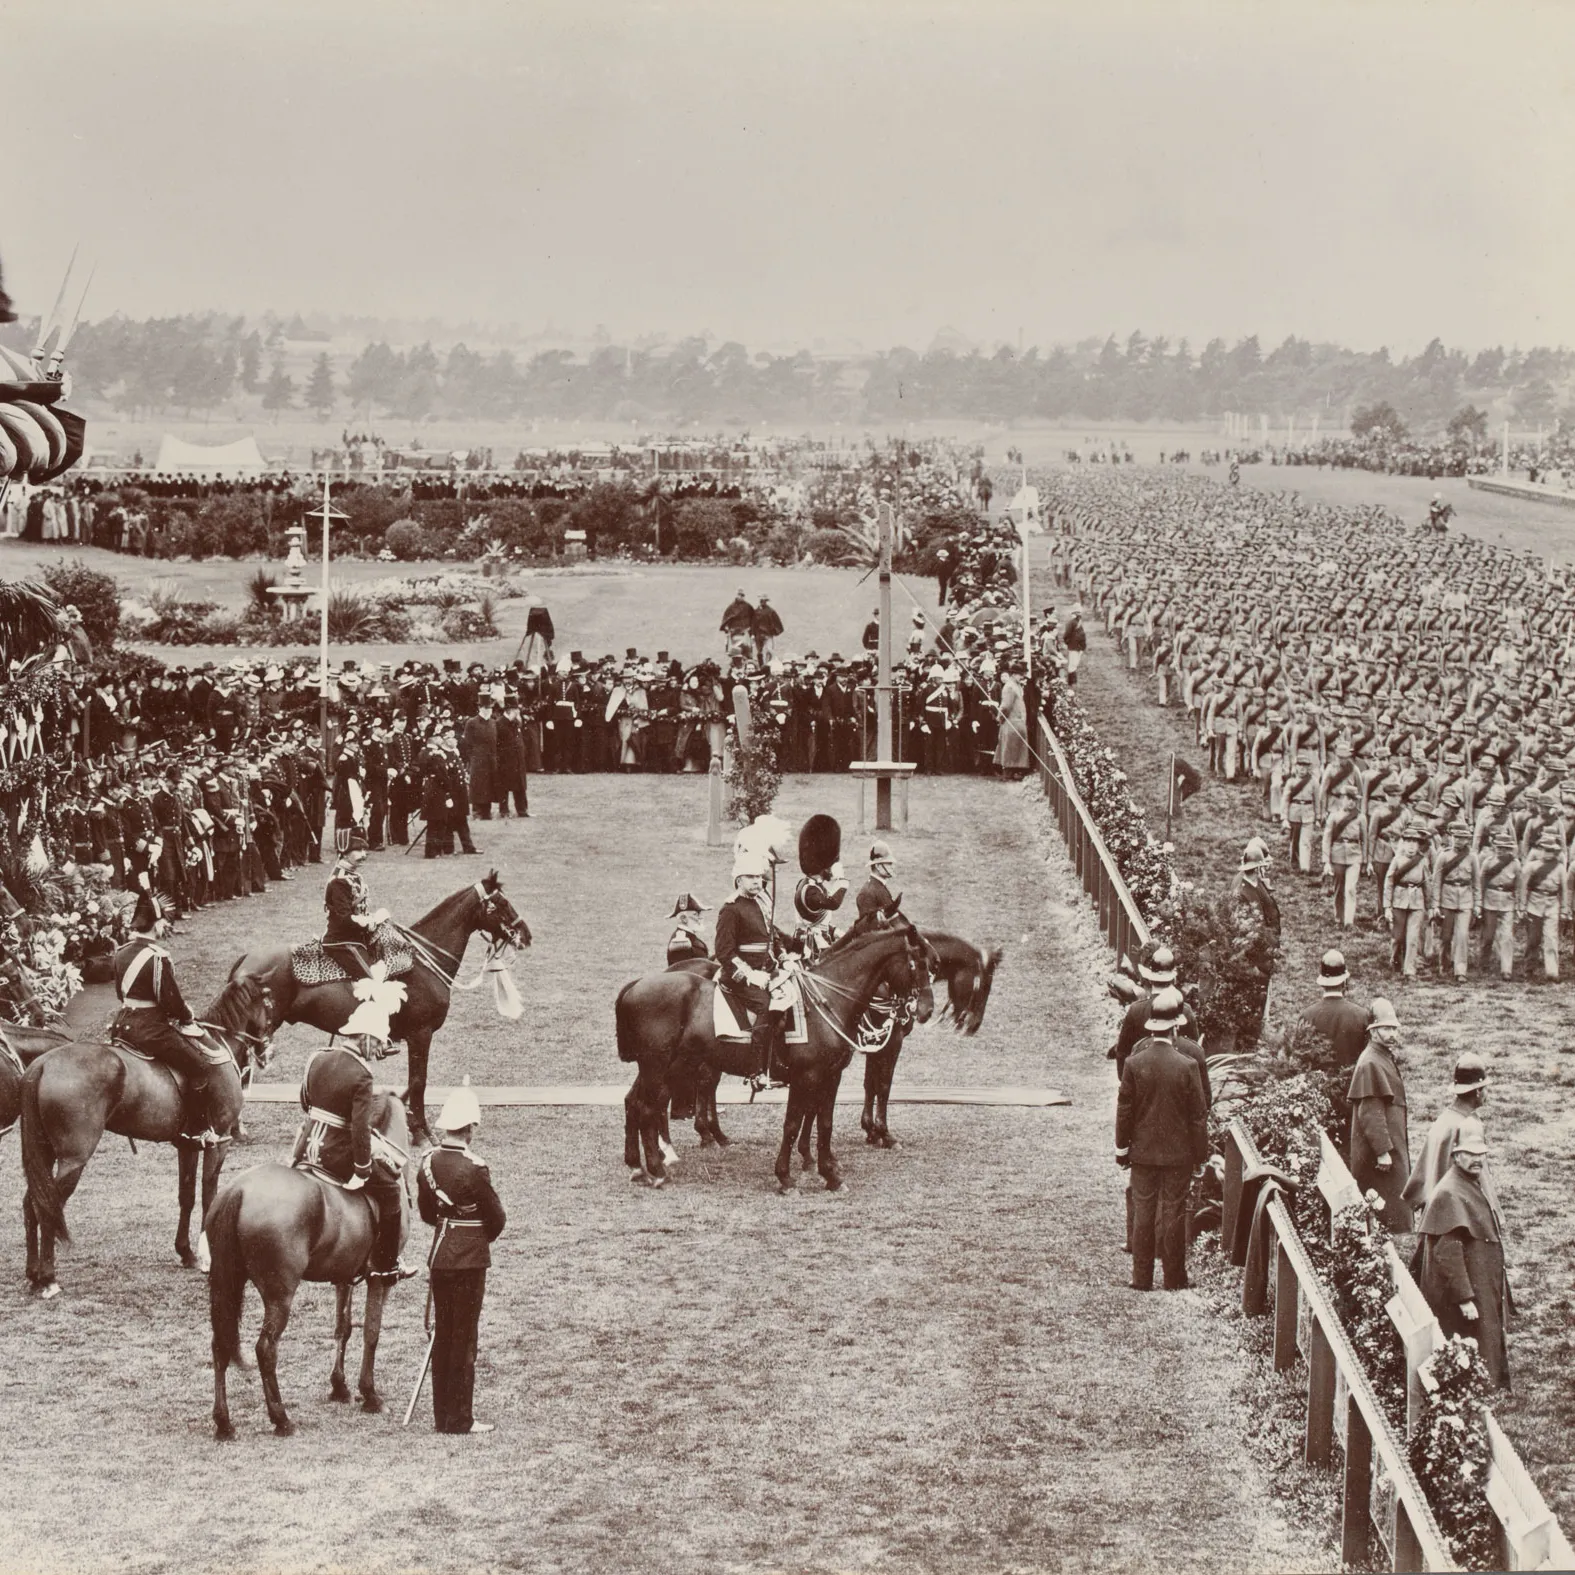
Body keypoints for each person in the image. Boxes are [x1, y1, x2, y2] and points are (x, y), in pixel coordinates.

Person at [417, 1081, 507, 1434]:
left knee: (444, 1334)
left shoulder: (427, 1163)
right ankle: (461, 1419)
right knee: (465, 1336)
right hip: (470, 1259)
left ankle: (444, 1416)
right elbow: (496, 1218)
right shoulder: (475, 1167)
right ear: (470, 1128)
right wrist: (477, 1237)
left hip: (441, 1255)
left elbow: (427, 1213)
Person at [291, 1031, 414, 1283]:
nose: (378, 1049)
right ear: (365, 1039)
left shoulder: (317, 1057)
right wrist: (362, 1169)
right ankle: (386, 1265)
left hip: (306, 1147)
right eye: (377, 1042)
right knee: (391, 1192)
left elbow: (305, 1101)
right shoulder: (362, 1074)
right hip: (337, 1154)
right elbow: (360, 1129)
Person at [111, 890, 224, 1145]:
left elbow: (120, 992)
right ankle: (197, 1129)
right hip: (150, 1030)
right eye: (163, 922)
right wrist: (186, 1015)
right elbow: (170, 1002)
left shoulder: (121, 952)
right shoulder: (157, 956)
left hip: (122, 1025)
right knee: (199, 1067)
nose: (165, 926)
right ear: (156, 923)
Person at [1116, 986, 1209, 1292]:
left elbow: (1125, 1111)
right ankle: (1174, 1278)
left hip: (1142, 1153)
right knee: (1173, 1212)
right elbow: (1198, 1116)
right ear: (1176, 1026)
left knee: (1143, 1212)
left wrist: (1122, 1149)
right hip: (1178, 1155)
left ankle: (1141, 1278)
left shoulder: (1134, 1062)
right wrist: (1199, 1156)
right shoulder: (1188, 1066)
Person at [1415, 1116, 1512, 1389]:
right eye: (1469, 1154)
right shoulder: (1449, 1192)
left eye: (1481, 1153)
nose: (1476, 1159)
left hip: (1477, 1281)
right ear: (1456, 1155)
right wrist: (1465, 1297)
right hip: (1465, 1291)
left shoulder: (1468, 1181)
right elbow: (1447, 1253)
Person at [713, 848, 798, 1083]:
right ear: (739, 880)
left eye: (759, 877)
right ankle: (756, 1069)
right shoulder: (731, 909)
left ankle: (784, 1060)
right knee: (766, 1006)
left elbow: (771, 939)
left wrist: (784, 958)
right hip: (739, 978)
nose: (757, 881)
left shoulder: (761, 903)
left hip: (767, 972)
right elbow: (724, 953)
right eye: (751, 877)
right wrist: (749, 975)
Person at [1403, 1052, 1500, 1218]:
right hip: (1457, 1215)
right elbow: (1477, 1180)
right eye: (1485, 1088)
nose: (1487, 1093)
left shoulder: (1444, 1120)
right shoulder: (1467, 1126)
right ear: (1477, 1092)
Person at [1346, 998, 1412, 1233]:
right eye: (1386, 1028)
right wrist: (1383, 1151)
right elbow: (1370, 1112)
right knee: (1387, 1206)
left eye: (1394, 1028)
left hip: (1389, 1147)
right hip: (1381, 1156)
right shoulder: (1371, 1062)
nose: (1392, 1033)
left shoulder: (1381, 1056)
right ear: (1372, 1031)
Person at [321, 833, 387, 982]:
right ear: (344, 853)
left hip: (356, 937)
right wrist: (368, 922)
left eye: (365, 850)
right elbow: (344, 918)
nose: (364, 855)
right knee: (375, 980)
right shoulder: (339, 881)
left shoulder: (354, 875)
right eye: (358, 850)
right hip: (342, 941)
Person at [1296, 949, 1370, 1070]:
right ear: (1345, 982)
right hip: (1353, 1085)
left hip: (1316, 1086)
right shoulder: (1362, 1015)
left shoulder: (1307, 1016)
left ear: (1322, 983)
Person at [793, 813, 848, 952]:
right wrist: (841, 880)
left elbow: (816, 921)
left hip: (818, 940)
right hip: (810, 947)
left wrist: (835, 931)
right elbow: (833, 903)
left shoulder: (814, 885)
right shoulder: (810, 890)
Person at [851, 841, 903, 935]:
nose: (892, 867)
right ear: (878, 866)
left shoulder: (879, 886)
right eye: (889, 864)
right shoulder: (868, 892)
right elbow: (866, 929)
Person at [665, 893, 712, 967]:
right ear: (683, 919)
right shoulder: (680, 940)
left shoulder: (689, 936)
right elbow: (684, 972)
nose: (700, 918)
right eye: (695, 914)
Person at [719, 589, 754, 657]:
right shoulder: (731, 607)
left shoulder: (748, 606)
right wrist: (725, 628)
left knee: (746, 649)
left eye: (742, 595)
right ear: (737, 595)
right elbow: (726, 618)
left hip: (745, 631)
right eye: (739, 595)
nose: (741, 597)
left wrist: (752, 631)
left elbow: (753, 617)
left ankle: (747, 662)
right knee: (736, 650)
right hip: (735, 632)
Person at [752, 596, 784, 664]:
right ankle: (761, 666)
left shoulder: (771, 611)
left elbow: (777, 623)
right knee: (759, 652)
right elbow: (753, 623)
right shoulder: (756, 611)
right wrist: (752, 634)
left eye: (764, 600)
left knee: (769, 650)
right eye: (761, 600)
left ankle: (768, 665)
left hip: (768, 634)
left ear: (766, 601)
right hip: (758, 635)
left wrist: (774, 631)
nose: (762, 602)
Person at [1063, 604, 1087, 687]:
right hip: (1074, 646)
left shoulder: (1073, 623)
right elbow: (1067, 635)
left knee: (1074, 663)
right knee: (1073, 664)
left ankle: (1072, 681)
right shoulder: (1072, 623)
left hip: (1076, 646)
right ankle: (1071, 682)